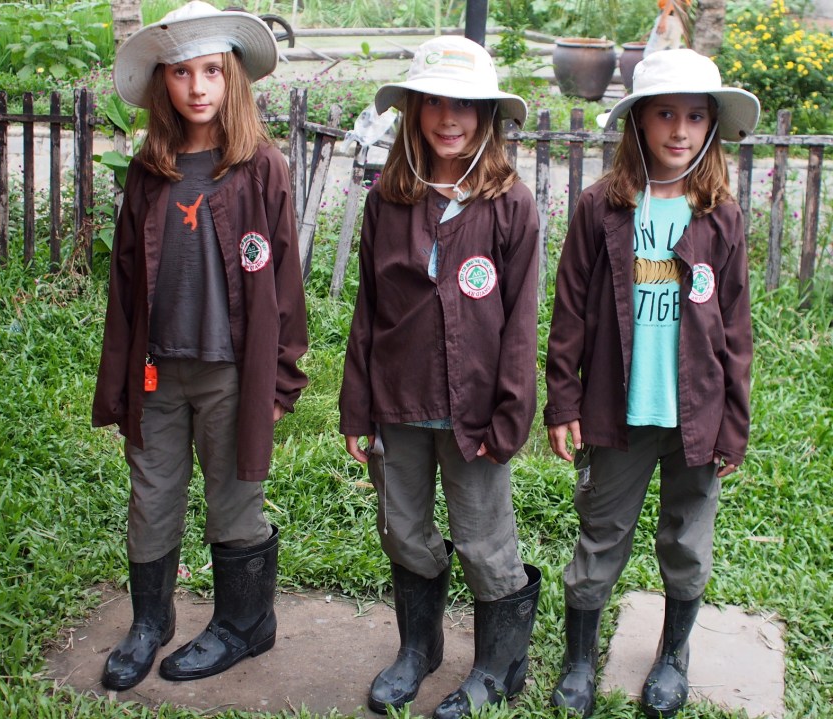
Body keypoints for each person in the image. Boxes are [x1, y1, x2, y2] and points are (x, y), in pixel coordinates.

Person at [92, 0, 308, 690]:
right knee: (151, 496)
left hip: (231, 372)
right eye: (181, 72)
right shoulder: (148, 170)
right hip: (157, 371)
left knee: (234, 497)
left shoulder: (260, 166)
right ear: (163, 82)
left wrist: (281, 377)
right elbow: (125, 285)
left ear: (232, 76)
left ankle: (245, 622)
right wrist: (120, 381)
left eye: (211, 70)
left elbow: (284, 277)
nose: (197, 86)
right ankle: (150, 620)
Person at [544, 48, 760, 718]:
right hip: (619, 411)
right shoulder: (601, 209)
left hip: (696, 414)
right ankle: (580, 661)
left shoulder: (720, 216)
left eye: (695, 116)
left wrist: (733, 421)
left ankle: (673, 654)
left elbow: (736, 329)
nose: (680, 130)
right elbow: (570, 313)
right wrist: (563, 399)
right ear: (638, 120)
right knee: (601, 534)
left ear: (711, 125)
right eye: (665, 114)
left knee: (686, 541)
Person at [339, 35, 542, 719]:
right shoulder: (389, 203)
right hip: (398, 401)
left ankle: (498, 666)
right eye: (434, 103)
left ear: (488, 116)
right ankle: (417, 649)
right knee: (403, 529)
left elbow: (520, 324)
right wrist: (356, 408)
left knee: (484, 538)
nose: (449, 118)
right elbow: (369, 310)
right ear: (413, 112)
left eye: (466, 105)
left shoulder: (511, 205)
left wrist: (510, 415)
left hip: (475, 413)